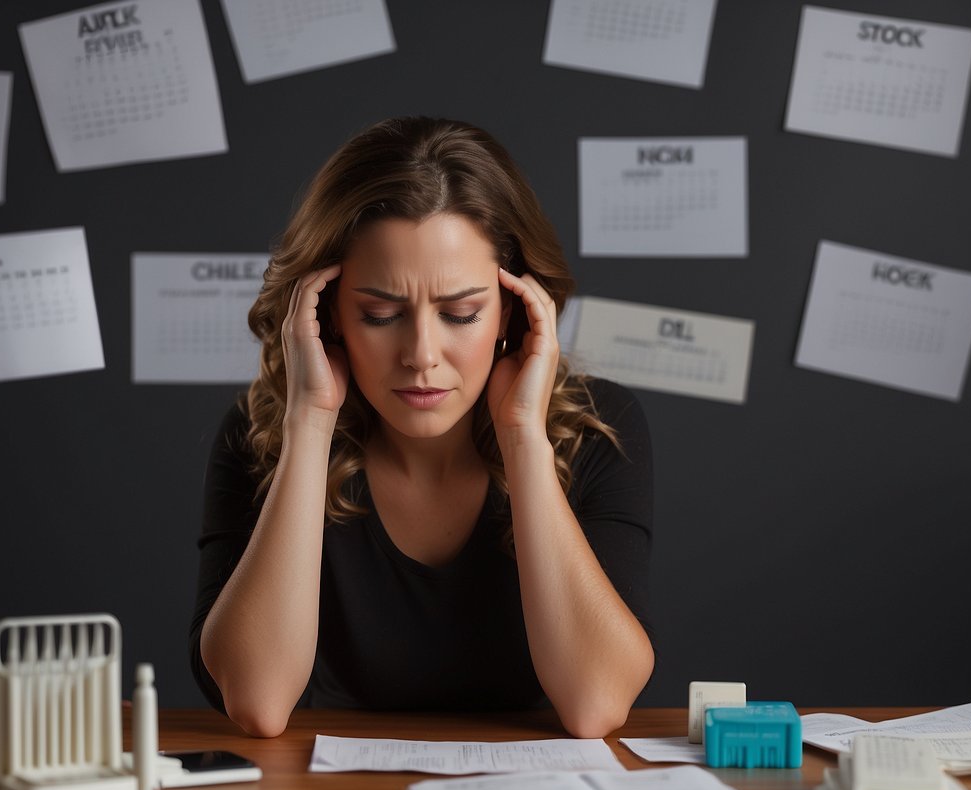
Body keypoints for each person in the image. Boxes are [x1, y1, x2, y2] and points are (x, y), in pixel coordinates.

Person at [189, 116, 654, 739]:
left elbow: (596, 703)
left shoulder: (600, 427)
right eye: (380, 314)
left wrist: (522, 438)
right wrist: (309, 424)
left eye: (461, 314)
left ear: (513, 308)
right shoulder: (261, 433)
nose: (421, 354)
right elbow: (256, 700)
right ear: (326, 316)